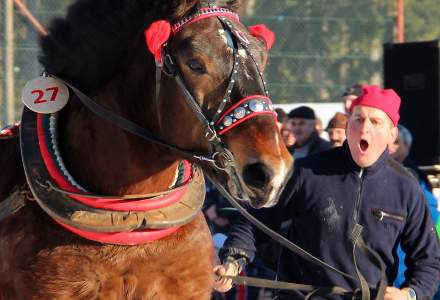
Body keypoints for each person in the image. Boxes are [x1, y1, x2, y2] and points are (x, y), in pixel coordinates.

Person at [214, 85, 440, 300]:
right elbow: (256, 221)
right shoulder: (306, 172)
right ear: (348, 126)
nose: (364, 128)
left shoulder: (406, 187)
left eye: (375, 122)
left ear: (392, 134)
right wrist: (234, 260)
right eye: (358, 119)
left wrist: (410, 294)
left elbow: (428, 261)